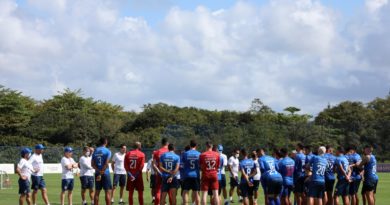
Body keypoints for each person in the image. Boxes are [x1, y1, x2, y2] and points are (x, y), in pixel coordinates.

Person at [92, 138, 112, 205]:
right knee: (108, 192)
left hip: (97, 173)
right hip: (105, 173)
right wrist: (102, 172)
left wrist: (98, 171)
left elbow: (92, 164)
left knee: (97, 192)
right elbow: (106, 163)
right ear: (106, 142)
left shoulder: (95, 151)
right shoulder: (107, 151)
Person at [182, 140, 201, 205]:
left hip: (187, 175)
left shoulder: (185, 153)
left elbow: (182, 164)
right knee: (196, 192)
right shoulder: (199, 154)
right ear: (196, 146)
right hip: (196, 175)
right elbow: (200, 165)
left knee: (185, 192)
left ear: (190, 145)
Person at [153, 138, 169, 205]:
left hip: (160, 174)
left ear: (161, 143)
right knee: (170, 192)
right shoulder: (169, 151)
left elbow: (153, 164)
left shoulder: (157, 152)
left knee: (158, 191)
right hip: (169, 174)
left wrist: (159, 172)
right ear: (167, 144)